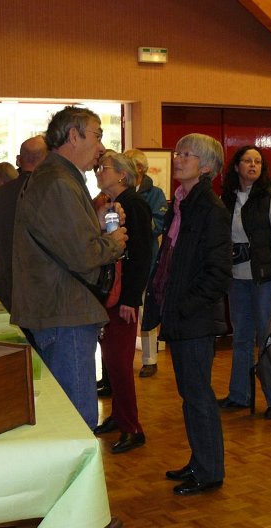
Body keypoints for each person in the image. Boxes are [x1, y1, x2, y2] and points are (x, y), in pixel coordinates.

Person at [11, 106, 127, 430]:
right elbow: (82, 255)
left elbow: (67, 240)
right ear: (73, 136)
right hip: (66, 314)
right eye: (98, 135)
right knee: (77, 421)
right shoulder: (59, 181)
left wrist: (99, 224)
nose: (102, 147)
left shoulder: (57, 177)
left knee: (63, 416)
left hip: (58, 311)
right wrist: (114, 241)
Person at [142, 133, 231, 495]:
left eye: (187, 155)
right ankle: (200, 461)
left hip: (193, 318)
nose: (177, 158)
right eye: (178, 152)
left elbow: (217, 274)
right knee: (190, 394)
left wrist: (183, 305)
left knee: (198, 396)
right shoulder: (180, 203)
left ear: (206, 166)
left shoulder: (210, 209)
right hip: (179, 315)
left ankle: (209, 471)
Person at [218, 145, 271, 419]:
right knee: (241, 339)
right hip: (237, 280)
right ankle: (239, 395)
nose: (252, 165)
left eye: (257, 161)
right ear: (236, 166)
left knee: (267, 338)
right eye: (247, 161)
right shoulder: (227, 199)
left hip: (265, 280)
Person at [92, 151, 152, 453]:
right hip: (110, 295)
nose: (98, 172)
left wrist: (131, 298)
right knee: (111, 361)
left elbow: (141, 256)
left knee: (119, 362)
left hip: (121, 298)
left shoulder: (134, 206)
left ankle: (132, 428)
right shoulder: (105, 204)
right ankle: (118, 416)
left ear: (122, 176)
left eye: (105, 168)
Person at [0, 135, 48, 311]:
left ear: (19, 159)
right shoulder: (53, 190)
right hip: (43, 282)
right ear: (46, 158)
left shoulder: (0, 194)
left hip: (7, 280)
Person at [125, 148, 169, 379]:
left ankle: (149, 360)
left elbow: (159, 224)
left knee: (146, 312)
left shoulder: (156, 194)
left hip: (147, 261)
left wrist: (133, 228)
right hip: (123, 261)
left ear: (139, 169)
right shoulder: (120, 191)